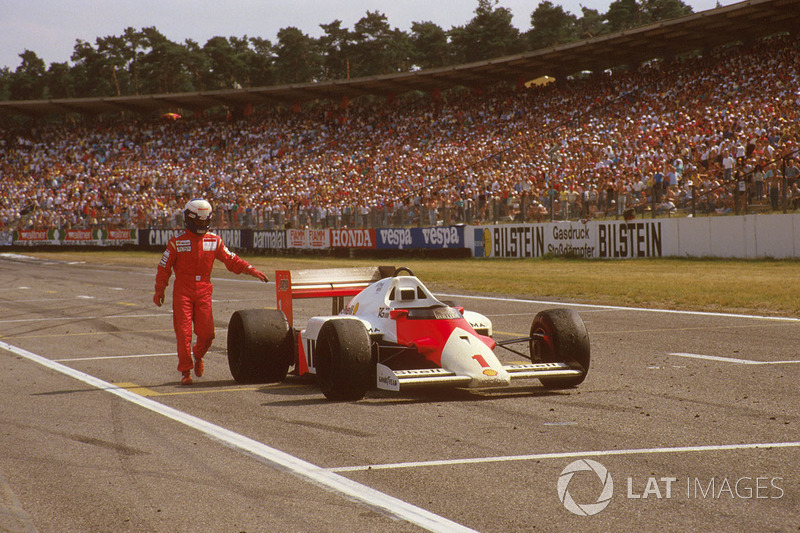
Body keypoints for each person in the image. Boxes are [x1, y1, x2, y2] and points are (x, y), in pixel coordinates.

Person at [153, 199, 268, 385]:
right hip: (182, 291)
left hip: (204, 290)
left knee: (207, 335)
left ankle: (198, 355)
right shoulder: (176, 243)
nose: (202, 225)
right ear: (189, 219)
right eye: (199, 221)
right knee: (184, 333)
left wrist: (251, 270)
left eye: (205, 221)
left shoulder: (214, 241)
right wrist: (159, 290)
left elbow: (232, 260)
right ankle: (185, 371)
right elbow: (163, 267)